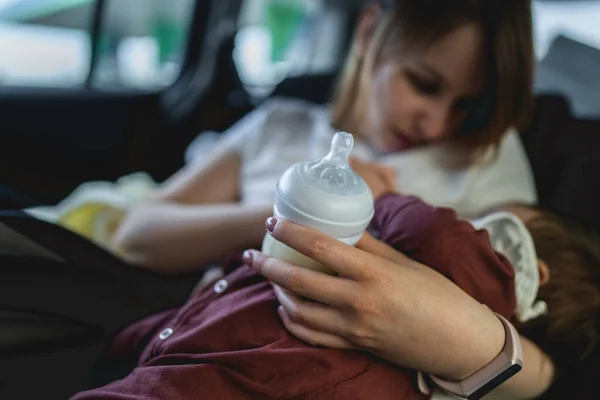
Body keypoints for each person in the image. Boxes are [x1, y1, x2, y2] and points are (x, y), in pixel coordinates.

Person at [71, 177, 600, 399]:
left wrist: (384, 201)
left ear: (528, 266)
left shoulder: (474, 272)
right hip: (199, 325)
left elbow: (432, 230)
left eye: (484, 223)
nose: (467, 223)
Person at [111, 0, 536, 274]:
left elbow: (523, 295)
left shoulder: (484, 155)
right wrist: (294, 215)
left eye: (466, 105)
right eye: (424, 84)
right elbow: (136, 235)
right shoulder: (278, 127)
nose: (438, 125)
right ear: (369, 32)